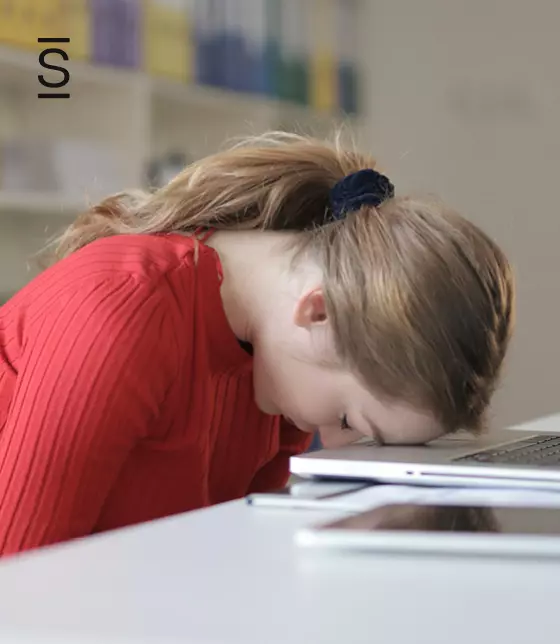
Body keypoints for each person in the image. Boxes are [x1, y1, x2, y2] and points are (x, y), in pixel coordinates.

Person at [0, 132, 515, 556]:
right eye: (347, 420)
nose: (335, 444)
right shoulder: (124, 305)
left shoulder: (273, 365)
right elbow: (18, 586)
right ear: (319, 311)